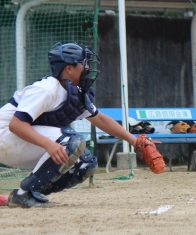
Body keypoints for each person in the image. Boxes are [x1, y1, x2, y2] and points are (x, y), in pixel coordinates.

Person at [0, 42, 163, 208]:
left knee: (85, 163)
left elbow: (100, 119)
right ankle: (24, 194)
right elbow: (16, 125)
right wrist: (49, 144)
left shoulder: (74, 92)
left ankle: (32, 192)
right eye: (84, 63)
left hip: (19, 145)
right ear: (69, 69)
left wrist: (135, 142)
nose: (88, 67)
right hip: (5, 137)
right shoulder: (47, 89)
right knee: (71, 141)